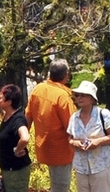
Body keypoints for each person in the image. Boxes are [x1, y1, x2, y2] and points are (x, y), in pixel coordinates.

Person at [27, 59, 76, 192]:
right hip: (61, 152)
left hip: (43, 148)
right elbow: (72, 126)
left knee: (55, 186)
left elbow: (27, 117)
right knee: (60, 187)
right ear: (66, 74)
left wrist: (23, 140)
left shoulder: (37, 89)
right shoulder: (63, 96)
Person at [67, 81, 110, 192]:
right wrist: (75, 143)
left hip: (102, 164)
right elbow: (70, 139)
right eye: (77, 95)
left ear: (92, 99)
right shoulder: (74, 117)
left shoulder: (103, 114)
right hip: (81, 166)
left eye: (84, 95)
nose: (79, 98)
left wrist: (98, 142)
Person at [0, 84, 34, 192]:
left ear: (9, 102)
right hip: (7, 169)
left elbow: (25, 138)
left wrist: (17, 150)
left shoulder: (18, 119)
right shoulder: (7, 117)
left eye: (0, 98)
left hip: (16, 170)